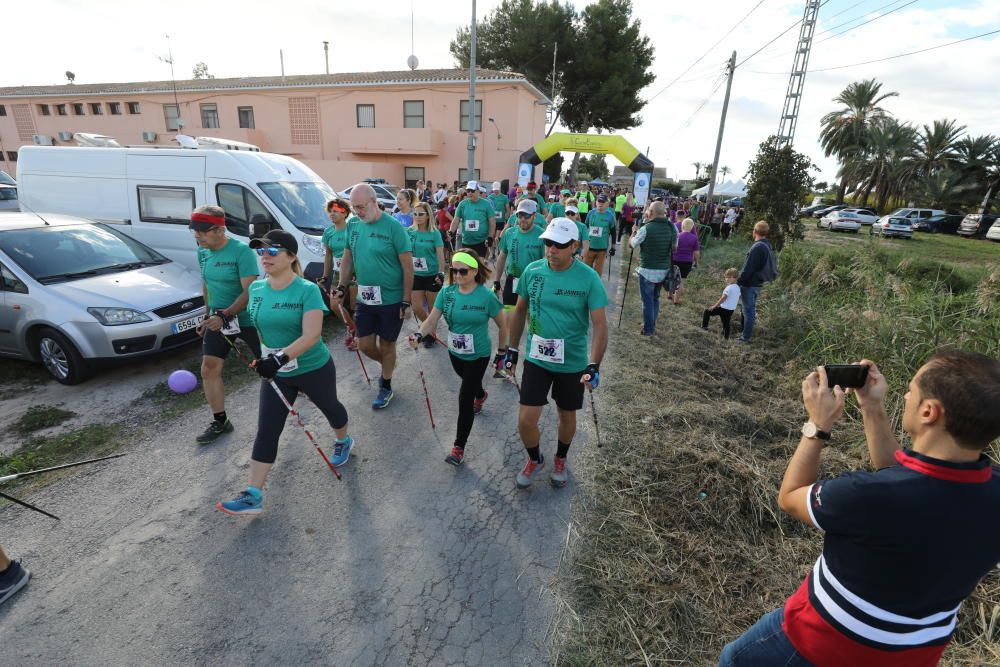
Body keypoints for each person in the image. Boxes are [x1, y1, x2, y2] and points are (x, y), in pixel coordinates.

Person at [719, 350, 1000, 666]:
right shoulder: (990, 490)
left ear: (928, 412)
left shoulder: (864, 495)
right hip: (913, 655)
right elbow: (907, 478)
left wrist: (817, 426)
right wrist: (871, 406)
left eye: (912, 390)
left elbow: (790, 497)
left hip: (820, 644)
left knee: (735, 659)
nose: (906, 395)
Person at [216, 230, 352, 516]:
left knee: (332, 411)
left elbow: (312, 335)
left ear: (291, 256)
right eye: (261, 252)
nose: (265, 256)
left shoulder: (307, 290)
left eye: (272, 251)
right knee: (267, 428)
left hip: (312, 366)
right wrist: (261, 357)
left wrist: (279, 358)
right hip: (277, 372)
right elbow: (261, 330)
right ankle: (253, 494)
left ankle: (343, 440)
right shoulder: (256, 289)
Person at [504, 218, 608, 489]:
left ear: (574, 246)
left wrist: (594, 364)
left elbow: (599, 325)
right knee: (526, 419)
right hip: (537, 358)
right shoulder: (532, 271)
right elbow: (519, 311)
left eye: (559, 245)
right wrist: (511, 349)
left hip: (571, 362)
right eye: (548, 243)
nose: (552, 249)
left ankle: (560, 458)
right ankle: (534, 458)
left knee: (566, 414)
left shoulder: (588, 278)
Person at [409, 249, 507, 465]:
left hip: (478, 354)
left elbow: (503, 325)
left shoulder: (486, 296)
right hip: (455, 353)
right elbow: (432, 319)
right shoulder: (447, 293)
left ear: (474, 271)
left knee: (465, 398)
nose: (458, 276)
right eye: (454, 271)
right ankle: (481, 395)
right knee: (470, 385)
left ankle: (458, 448)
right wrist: (418, 333)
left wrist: (502, 353)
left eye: (463, 271)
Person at [335, 183, 414, 409]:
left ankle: (386, 384)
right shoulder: (353, 226)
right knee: (365, 345)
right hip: (366, 299)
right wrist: (341, 286)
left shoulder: (393, 227)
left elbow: (408, 266)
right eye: (354, 207)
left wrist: (406, 300)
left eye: (361, 207)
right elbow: (348, 258)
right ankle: (389, 364)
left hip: (391, 299)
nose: (358, 212)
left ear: (374, 202)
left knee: (387, 344)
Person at [190, 205, 262, 444]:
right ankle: (221, 422)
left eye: (202, 231)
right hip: (218, 319)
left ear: (219, 229)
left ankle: (296, 388)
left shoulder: (241, 252)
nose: (197, 236)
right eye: (195, 231)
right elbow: (206, 286)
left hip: (250, 318)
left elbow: (249, 291)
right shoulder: (203, 252)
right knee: (209, 368)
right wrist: (206, 314)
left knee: (273, 367)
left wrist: (226, 315)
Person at [628, 201, 678, 337]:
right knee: (655, 299)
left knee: (647, 302)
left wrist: (633, 233)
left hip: (647, 270)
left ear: (651, 212)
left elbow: (632, 245)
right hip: (663, 270)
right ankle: (651, 324)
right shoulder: (672, 228)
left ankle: (649, 329)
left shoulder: (646, 228)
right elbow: (674, 248)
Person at [494, 199, 546, 319]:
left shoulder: (542, 235)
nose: (523, 218)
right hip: (513, 280)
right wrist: (496, 281)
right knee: (508, 319)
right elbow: (502, 257)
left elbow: (546, 261)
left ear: (534, 216)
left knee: (530, 320)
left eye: (527, 215)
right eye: (520, 215)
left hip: (533, 282)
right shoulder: (509, 233)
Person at [319, 197, 357, 350]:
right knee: (335, 305)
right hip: (337, 273)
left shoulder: (352, 229)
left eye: (336, 211)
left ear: (345, 213)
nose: (332, 214)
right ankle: (353, 330)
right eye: (330, 212)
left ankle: (358, 336)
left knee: (355, 306)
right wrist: (325, 275)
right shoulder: (328, 232)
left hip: (355, 272)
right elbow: (328, 255)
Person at [408, 201, 445, 347]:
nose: (417, 216)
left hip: (431, 275)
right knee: (416, 307)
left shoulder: (434, 233)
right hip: (416, 275)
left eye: (421, 214)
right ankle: (427, 330)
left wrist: (441, 273)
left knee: (431, 307)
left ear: (428, 215)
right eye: (415, 214)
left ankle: (431, 333)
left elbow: (441, 256)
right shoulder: (409, 232)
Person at [736, 221, 778, 344]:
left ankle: (745, 338)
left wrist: (737, 283)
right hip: (758, 283)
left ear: (754, 231)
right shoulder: (766, 245)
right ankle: (744, 331)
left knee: (748, 311)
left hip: (750, 283)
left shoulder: (757, 247)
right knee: (748, 309)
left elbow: (748, 269)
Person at [450, 181, 496, 260]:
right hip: (466, 242)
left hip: (481, 241)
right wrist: (451, 232)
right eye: (468, 191)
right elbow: (456, 220)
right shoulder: (462, 204)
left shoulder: (486, 204)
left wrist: (490, 237)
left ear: (478, 191)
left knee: (479, 265)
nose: (470, 193)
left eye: (472, 191)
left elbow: (492, 221)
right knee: (469, 266)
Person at [668, 218, 701, 306]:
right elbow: (696, 253)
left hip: (674, 259)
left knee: (672, 277)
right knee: (682, 281)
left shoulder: (677, 235)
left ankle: (669, 294)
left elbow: (671, 248)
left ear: (682, 226)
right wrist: (696, 262)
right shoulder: (694, 238)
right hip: (687, 261)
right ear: (692, 227)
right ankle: (676, 300)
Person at [583, 194, 616, 277]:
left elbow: (613, 232)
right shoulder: (590, 213)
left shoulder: (610, 216)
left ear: (607, 204)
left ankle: (595, 288)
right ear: (596, 202)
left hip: (602, 248)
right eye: (599, 201)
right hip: (589, 247)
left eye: (603, 202)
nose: (600, 204)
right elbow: (584, 228)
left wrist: (613, 247)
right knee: (586, 271)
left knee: (597, 273)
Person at [702, 268, 740, 339]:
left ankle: (704, 327)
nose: (727, 279)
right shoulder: (738, 288)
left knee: (707, 311)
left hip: (723, 308)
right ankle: (726, 337)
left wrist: (715, 306)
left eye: (728, 277)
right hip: (731, 310)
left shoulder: (729, 287)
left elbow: (723, 298)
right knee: (726, 323)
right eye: (726, 277)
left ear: (734, 278)